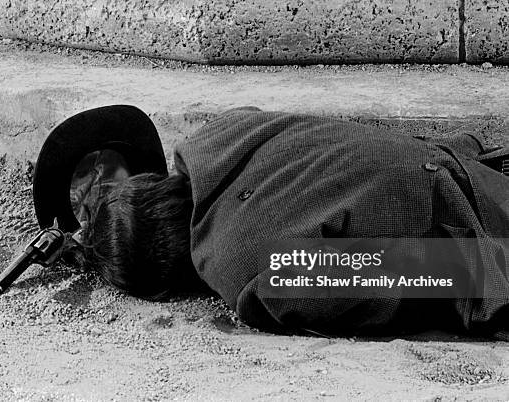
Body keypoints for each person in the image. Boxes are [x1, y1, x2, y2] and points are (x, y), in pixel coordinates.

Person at [72, 107, 509, 338]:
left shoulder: (243, 269)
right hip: (463, 164)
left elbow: (402, 275)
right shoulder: (216, 136)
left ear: (163, 282)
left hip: (475, 222)